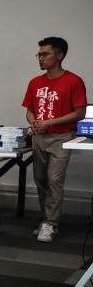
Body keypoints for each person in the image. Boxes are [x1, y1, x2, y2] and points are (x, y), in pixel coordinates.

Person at [23, 37, 87, 243]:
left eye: (45, 54)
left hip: (62, 137)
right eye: (39, 54)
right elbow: (29, 110)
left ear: (60, 55)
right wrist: (34, 122)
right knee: (40, 179)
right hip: (39, 137)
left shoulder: (73, 81)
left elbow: (79, 113)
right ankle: (45, 219)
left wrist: (49, 122)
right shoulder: (35, 82)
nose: (40, 58)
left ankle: (51, 223)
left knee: (54, 180)